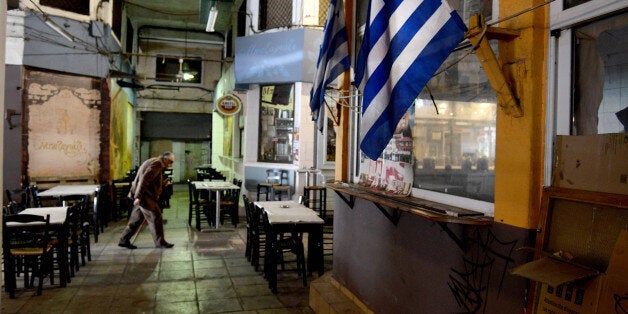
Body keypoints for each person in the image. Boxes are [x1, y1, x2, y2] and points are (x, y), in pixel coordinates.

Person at [118, 152, 175, 249]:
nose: (171, 164)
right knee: (156, 216)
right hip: (145, 197)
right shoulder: (157, 164)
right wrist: (138, 197)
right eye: (170, 161)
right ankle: (160, 242)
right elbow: (144, 180)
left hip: (142, 195)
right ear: (165, 159)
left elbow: (151, 180)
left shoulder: (153, 161)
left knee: (136, 219)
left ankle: (124, 240)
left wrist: (163, 183)